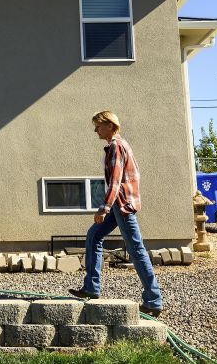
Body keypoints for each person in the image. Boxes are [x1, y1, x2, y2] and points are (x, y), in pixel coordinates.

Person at [69, 110, 164, 317]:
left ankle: (153, 300)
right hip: (119, 204)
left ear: (110, 125)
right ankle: (91, 288)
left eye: (98, 125)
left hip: (121, 205)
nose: (95, 130)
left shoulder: (116, 146)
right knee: (94, 236)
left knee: (136, 249)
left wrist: (103, 208)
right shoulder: (118, 145)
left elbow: (115, 182)